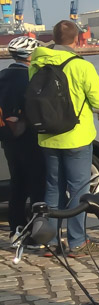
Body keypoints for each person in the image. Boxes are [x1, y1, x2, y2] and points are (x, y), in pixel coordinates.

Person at [31, 21, 99, 257]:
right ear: (77, 40)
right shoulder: (81, 66)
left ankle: (51, 241)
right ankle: (77, 242)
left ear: (53, 38)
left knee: (53, 189)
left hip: (47, 136)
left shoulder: (36, 64)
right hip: (76, 136)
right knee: (78, 190)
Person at [0, 36, 45, 244]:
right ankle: (36, 230)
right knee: (37, 185)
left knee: (17, 184)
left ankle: (15, 230)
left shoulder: (2, 75)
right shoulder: (31, 77)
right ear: (30, 55)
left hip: (8, 138)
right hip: (31, 137)